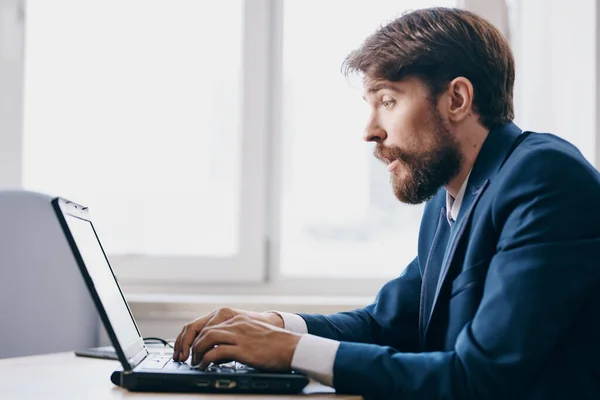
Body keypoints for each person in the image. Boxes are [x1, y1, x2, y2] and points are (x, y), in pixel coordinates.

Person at [172, 7, 600, 399]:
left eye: (388, 101)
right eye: (370, 105)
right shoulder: (450, 196)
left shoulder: (544, 179)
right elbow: (386, 324)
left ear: (457, 99)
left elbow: (480, 377)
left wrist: (292, 351)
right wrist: (276, 325)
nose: (370, 131)